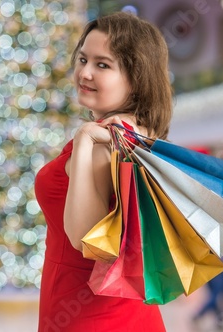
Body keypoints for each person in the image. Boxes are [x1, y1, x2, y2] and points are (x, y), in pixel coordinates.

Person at [34, 12, 172, 331]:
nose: (84, 72)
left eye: (103, 65)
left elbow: (86, 240)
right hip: (107, 311)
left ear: (136, 79)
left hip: (93, 316)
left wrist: (83, 140)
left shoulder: (106, 139)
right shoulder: (131, 132)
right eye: (83, 59)